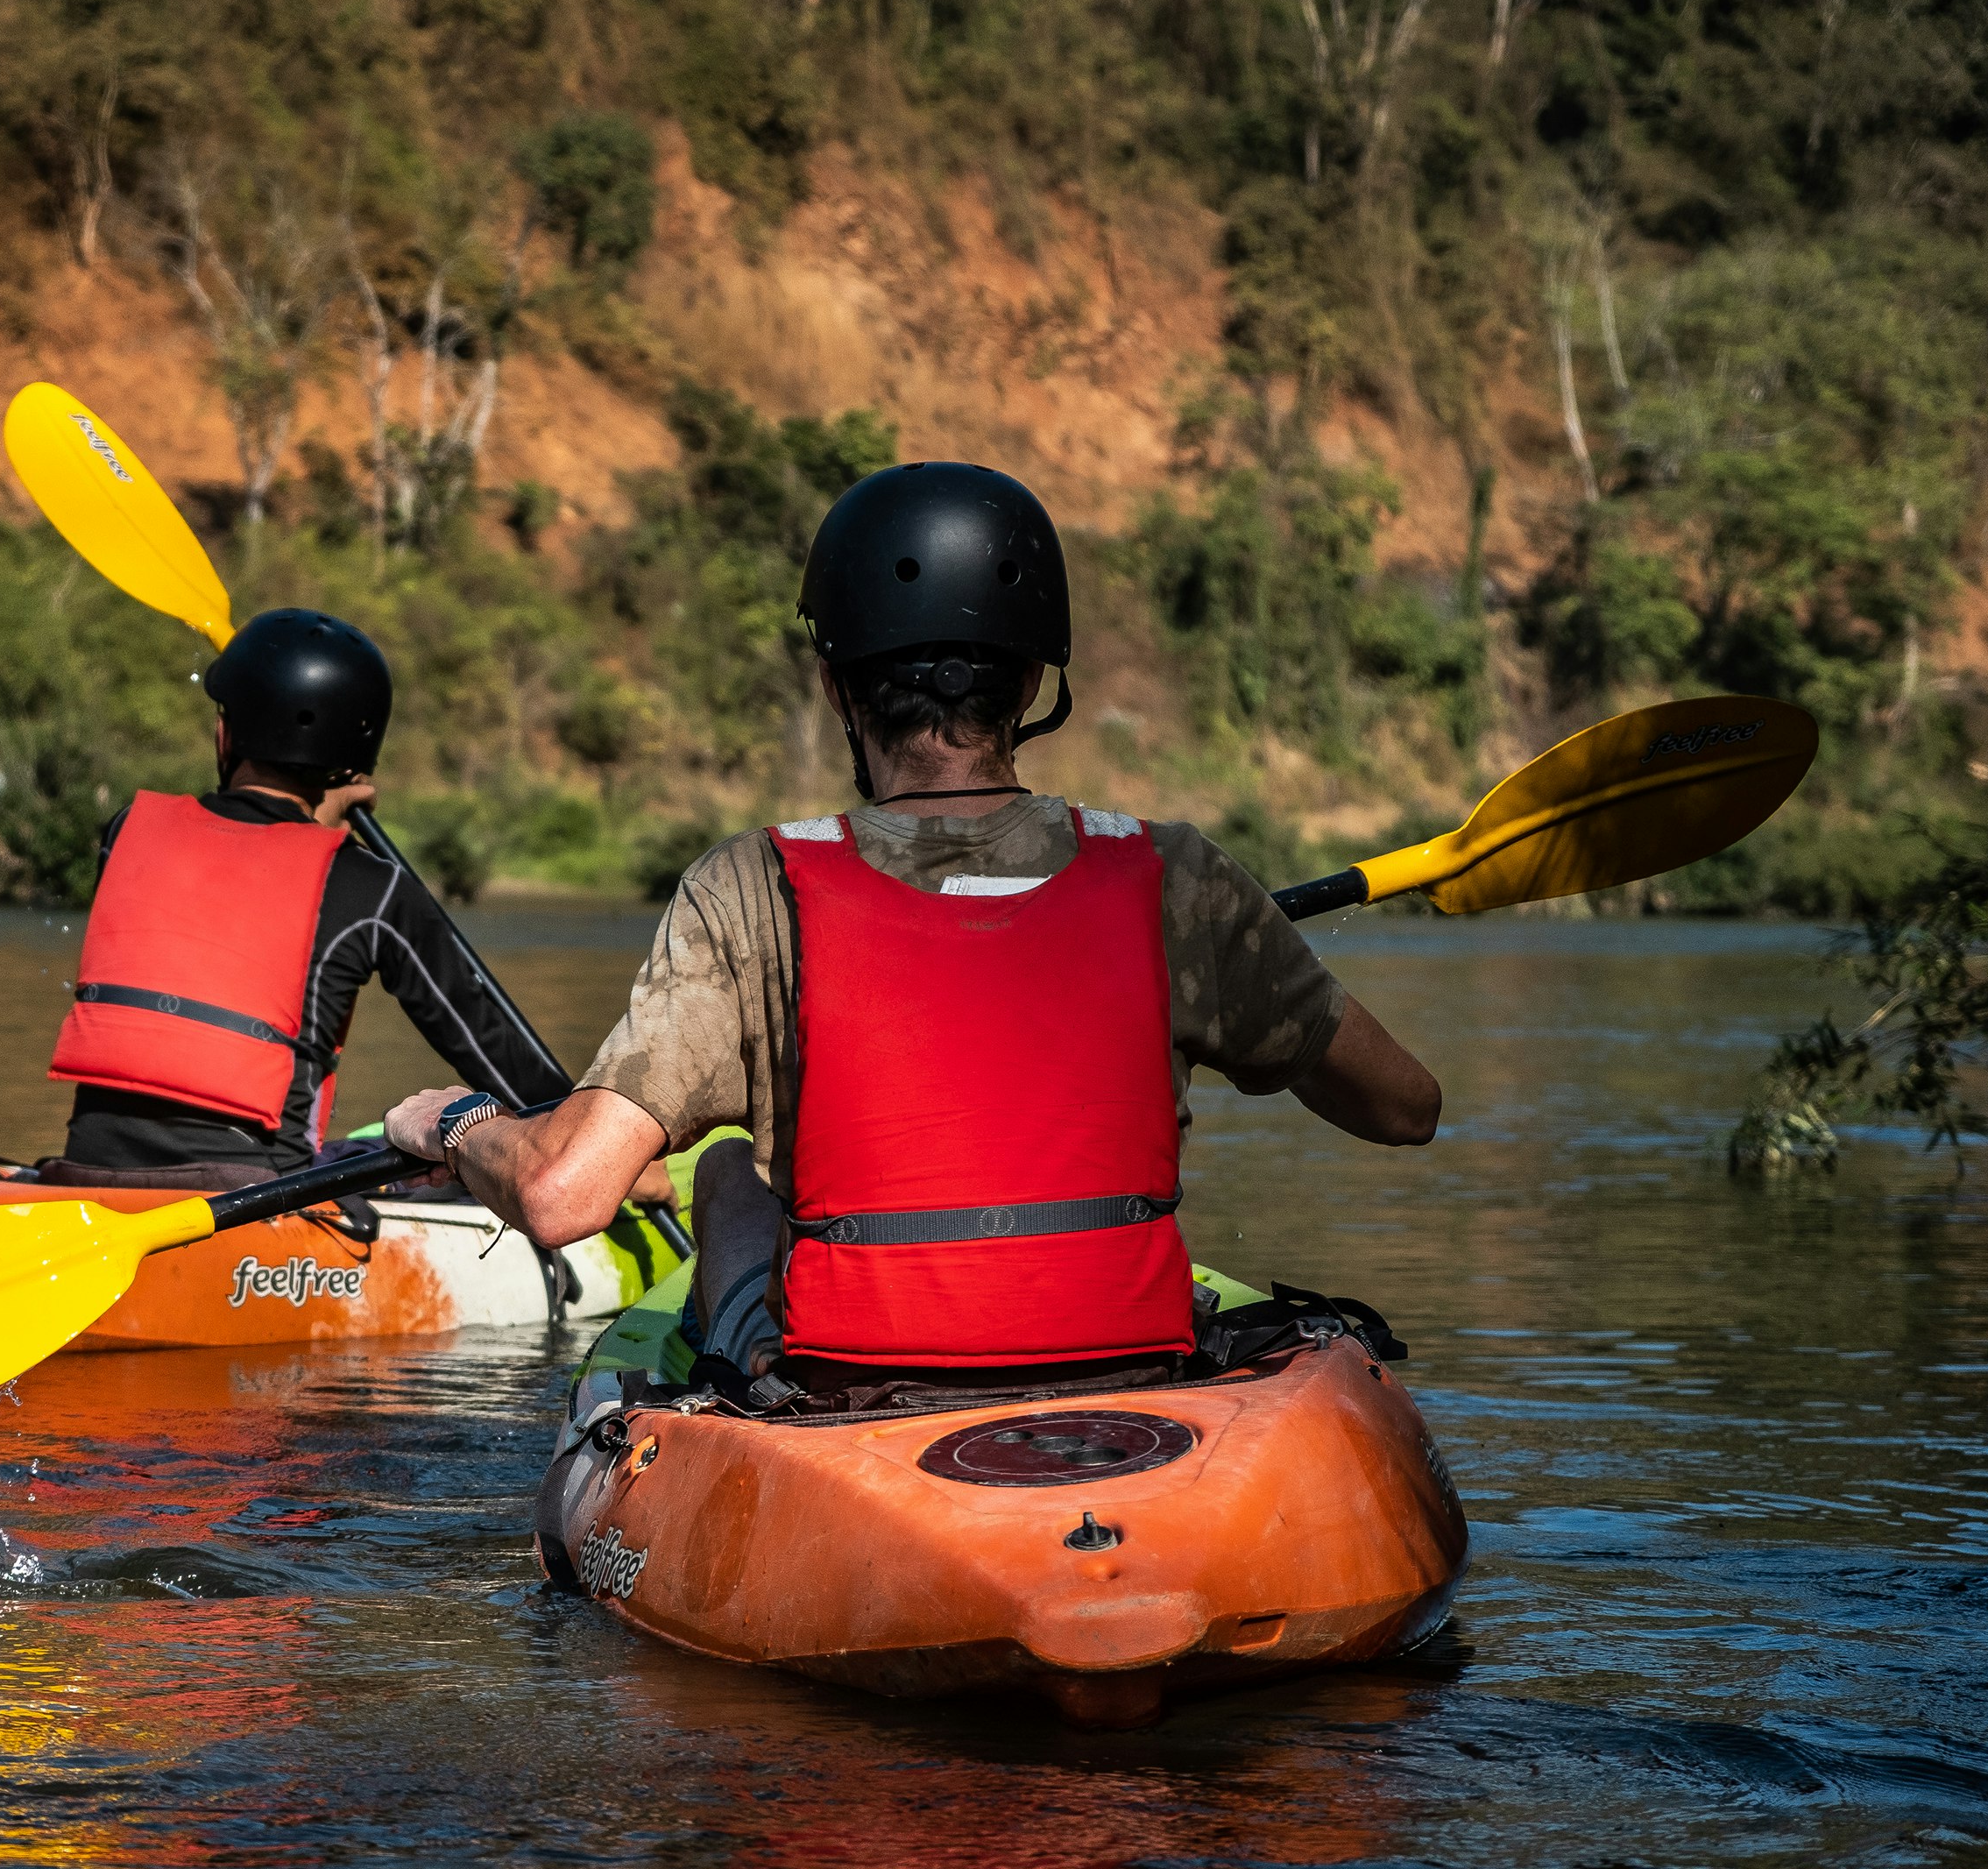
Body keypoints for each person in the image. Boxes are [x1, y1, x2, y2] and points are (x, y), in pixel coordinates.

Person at [384, 462, 1440, 1391]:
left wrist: (457, 1119)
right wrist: (1239, 960)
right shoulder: (1178, 876)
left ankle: (759, 1372)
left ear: (837, 687)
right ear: (1033, 682)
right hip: (1129, 1374)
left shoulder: (750, 887)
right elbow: (1404, 1107)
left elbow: (563, 1193)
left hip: (855, 1391)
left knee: (727, 1172)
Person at [40, 606, 582, 1193]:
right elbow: (484, 1036)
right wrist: (582, 1144)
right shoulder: (370, 887)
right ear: (354, 762)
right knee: (462, 1156)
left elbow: (228, 887)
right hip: (253, 1196)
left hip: (85, 1173)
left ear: (227, 734)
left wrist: (315, 822)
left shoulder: (126, 832)